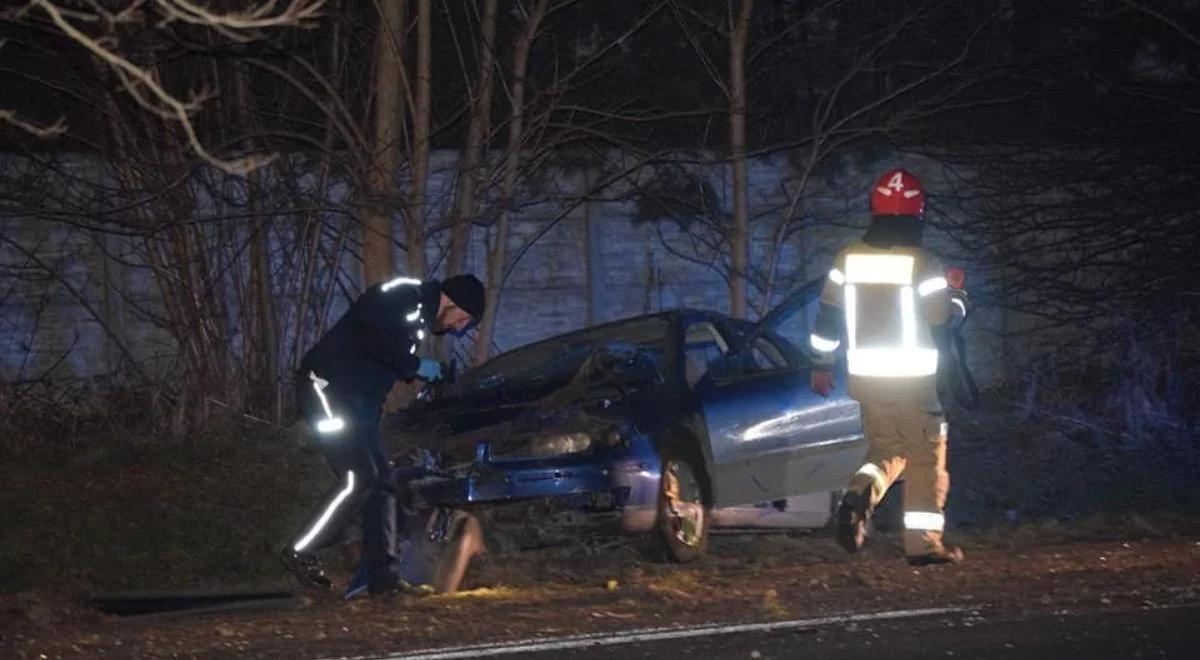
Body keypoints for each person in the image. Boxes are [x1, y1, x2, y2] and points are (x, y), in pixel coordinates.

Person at [280, 274, 485, 594]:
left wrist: (373, 415)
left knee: (383, 482)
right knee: (358, 477)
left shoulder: (417, 321)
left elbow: (377, 372)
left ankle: (382, 580)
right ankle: (301, 550)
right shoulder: (401, 296)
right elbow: (374, 342)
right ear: (452, 301)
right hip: (324, 388)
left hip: (354, 406)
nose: (460, 328)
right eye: (464, 320)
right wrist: (419, 366)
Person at [808, 168, 965, 566]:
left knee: (887, 450)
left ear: (874, 210)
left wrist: (821, 365)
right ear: (918, 214)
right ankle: (924, 545)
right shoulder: (923, 262)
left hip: (868, 380)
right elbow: (941, 318)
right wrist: (959, 296)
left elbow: (826, 318)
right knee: (926, 459)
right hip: (913, 382)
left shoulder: (848, 258)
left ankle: (858, 495)